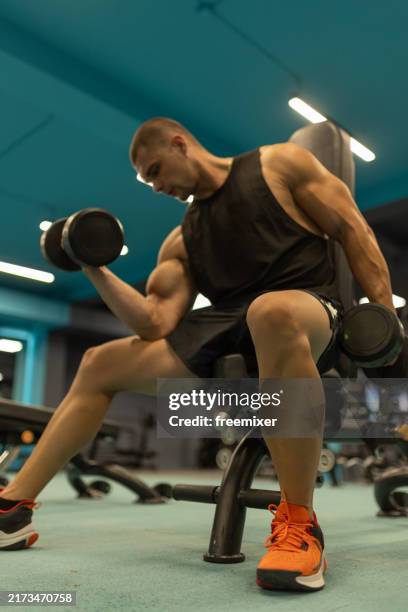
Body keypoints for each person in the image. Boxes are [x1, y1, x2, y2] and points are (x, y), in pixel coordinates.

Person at [0, 117, 396, 593]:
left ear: (179, 143)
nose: (156, 185)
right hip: (226, 325)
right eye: (148, 180)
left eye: (156, 170)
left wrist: (383, 315)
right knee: (99, 363)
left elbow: (353, 229)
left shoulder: (279, 165)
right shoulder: (182, 238)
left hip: (306, 307)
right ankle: (12, 508)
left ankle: (299, 524)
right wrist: (92, 265)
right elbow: (154, 322)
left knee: (271, 311)